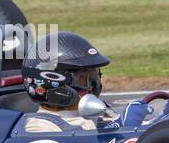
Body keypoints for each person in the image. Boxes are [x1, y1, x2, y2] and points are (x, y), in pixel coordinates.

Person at [20, 31, 150, 133]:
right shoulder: (39, 127)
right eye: (83, 79)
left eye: (94, 77)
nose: (91, 88)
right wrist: (122, 129)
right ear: (54, 83)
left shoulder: (97, 113)